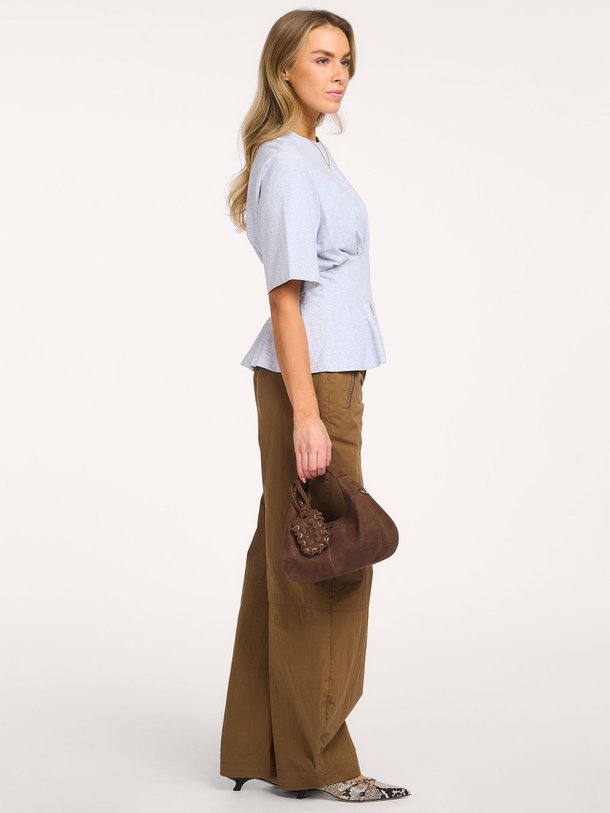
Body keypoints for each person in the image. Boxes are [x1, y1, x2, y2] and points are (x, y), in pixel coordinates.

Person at [219, 9, 410, 804]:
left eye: (346, 60)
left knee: (287, 554)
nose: (339, 74)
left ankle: (259, 744)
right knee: (330, 565)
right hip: (315, 381)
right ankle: (323, 761)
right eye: (323, 58)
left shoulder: (309, 155)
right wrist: (307, 413)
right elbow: (285, 298)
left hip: (327, 374)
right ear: (283, 69)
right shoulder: (288, 163)